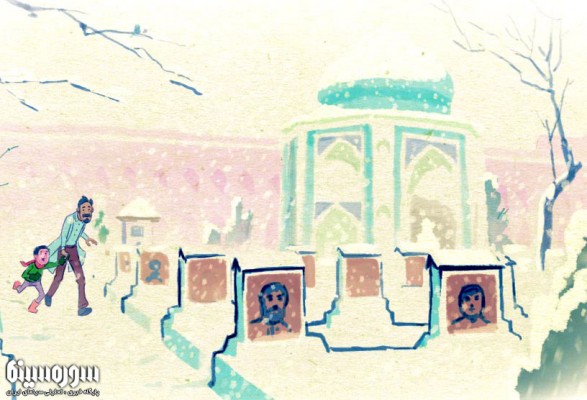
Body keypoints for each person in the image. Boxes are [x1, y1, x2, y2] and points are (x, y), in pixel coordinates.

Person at [45, 195, 98, 317]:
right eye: (84, 208)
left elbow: (80, 231)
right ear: (78, 209)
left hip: (73, 251)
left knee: (81, 278)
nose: (86, 210)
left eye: (89, 208)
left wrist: (86, 238)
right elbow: (64, 235)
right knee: (59, 277)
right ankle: (48, 295)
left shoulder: (84, 220)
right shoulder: (70, 219)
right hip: (63, 250)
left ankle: (82, 307)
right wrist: (63, 249)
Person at [13, 245, 68, 313]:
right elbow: (24, 274)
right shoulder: (32, 266)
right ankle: (17, 285)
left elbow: (54, 264)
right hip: (28, 281)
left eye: (46, 253)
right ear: (36, 256)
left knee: (42, 295)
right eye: (41, 253)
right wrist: (30, 277)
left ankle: (32, 307)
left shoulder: (44, 265)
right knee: (19, 290)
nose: (44, 255)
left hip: (37, 282)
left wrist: (61, 261)